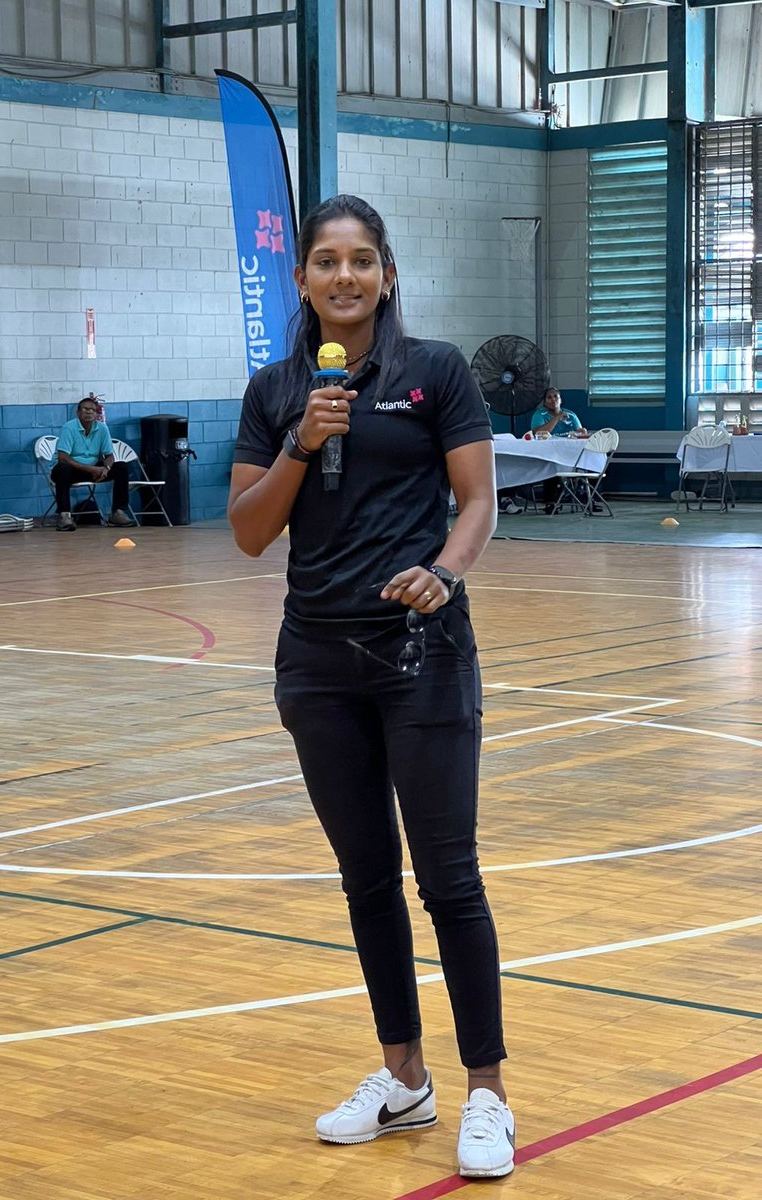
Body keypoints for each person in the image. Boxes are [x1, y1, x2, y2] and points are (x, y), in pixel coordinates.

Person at [228, 195, 514, 1180]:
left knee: (449, 879)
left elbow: (476, 503)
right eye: (325, 261)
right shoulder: (275, 392)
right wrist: (304, 440)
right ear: (302, 280)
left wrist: (447, 570)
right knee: (365, 879)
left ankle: (487, 1094)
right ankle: (404, 1079)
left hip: (420, 653)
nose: (344, 276)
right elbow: (250, 531)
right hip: (316, 665)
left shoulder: (436, 374)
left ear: (387, 274)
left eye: (361, 260)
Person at [51, 397, 133, 531]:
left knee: (121, 467)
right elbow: (63, 457)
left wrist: (105, 468)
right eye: (85, 409)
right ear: (78, 413)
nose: (89, 412)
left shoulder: (102, 428)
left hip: (95, 471)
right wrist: (90, 469)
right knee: (62, 469)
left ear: (96, 414)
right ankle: (64, 516)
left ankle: (117, 513)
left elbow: (109, 455)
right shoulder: (69, 427)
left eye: (93, 410)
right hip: (71, 470)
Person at [530, 387, 588, 513]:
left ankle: (588, 500)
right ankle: (551, 503)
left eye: (556, 396)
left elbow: (579, 431)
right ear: (544, 402)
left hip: (570, 454)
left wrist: (581, 431)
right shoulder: (539, 415)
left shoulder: (571, 415)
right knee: (551, 466)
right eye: (549, 397)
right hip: (548, 455)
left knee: (587, 462)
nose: (553, 400)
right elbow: (539, 433)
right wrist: (556, 418)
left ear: (560, 400)